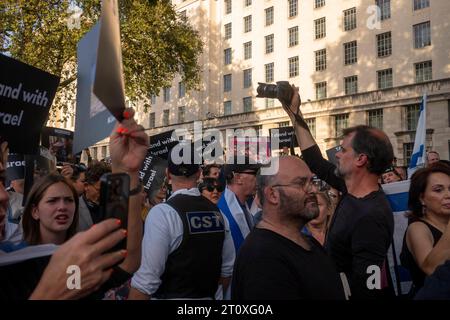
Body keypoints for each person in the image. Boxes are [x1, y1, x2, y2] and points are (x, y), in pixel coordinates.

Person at [0, 107, 148, 299]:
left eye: (69, 200)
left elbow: (125, 263)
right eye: (52, 201)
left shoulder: (77, 264)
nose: (62, 206)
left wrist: (127, 171)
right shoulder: (13, 261)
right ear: (34, 211)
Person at [282, 85, 394, 299]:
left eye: (343, 150)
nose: (338, 155)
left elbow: (370, 289)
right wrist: (295, 113)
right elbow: (315, 160)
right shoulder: (349, 188)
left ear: (361, 159)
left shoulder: (370, 217)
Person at [232, 156, 345, 300]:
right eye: (301, 183)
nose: (313, 189)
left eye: (312, 181)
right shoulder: (262, 259)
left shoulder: (308, 242)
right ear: (273, 195)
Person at [129, 147, 233, 299]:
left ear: (168, 174)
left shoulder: (162, 214)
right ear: (199, 173)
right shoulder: (219, 215)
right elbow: (226, 271)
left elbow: (145, 283)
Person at [400, 162, 450, 296]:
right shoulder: (417, 228)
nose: (448, 195)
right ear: (422, 198)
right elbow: (432, 269)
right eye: (438, 190)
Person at [77, 161, 111, 231]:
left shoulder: (114, 208)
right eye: (100, 190)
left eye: (108, 190)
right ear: (86, 186)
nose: (105, 194)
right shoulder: (74, 209)